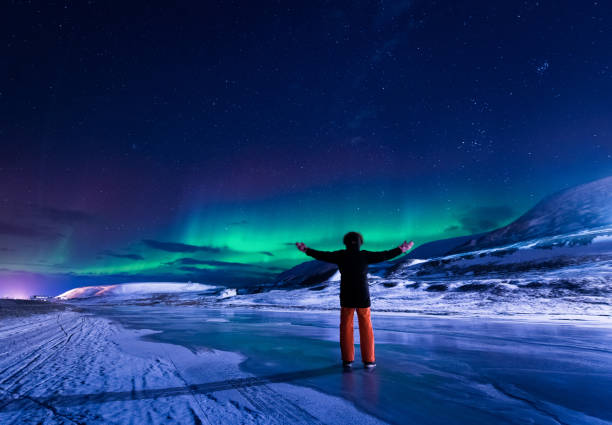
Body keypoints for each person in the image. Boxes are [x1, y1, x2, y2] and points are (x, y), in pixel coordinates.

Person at [295, 232, 413, 369]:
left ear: (345, 243)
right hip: (363, 295)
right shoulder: (365, 255)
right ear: (360, 243)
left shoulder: (340, 255)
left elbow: (322, 255)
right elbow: (385, 255)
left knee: (346, 328)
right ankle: (369, 361)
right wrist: (401, 249)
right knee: (366, 327)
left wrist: (306, 250)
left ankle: (347, 360)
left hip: (346, 295)